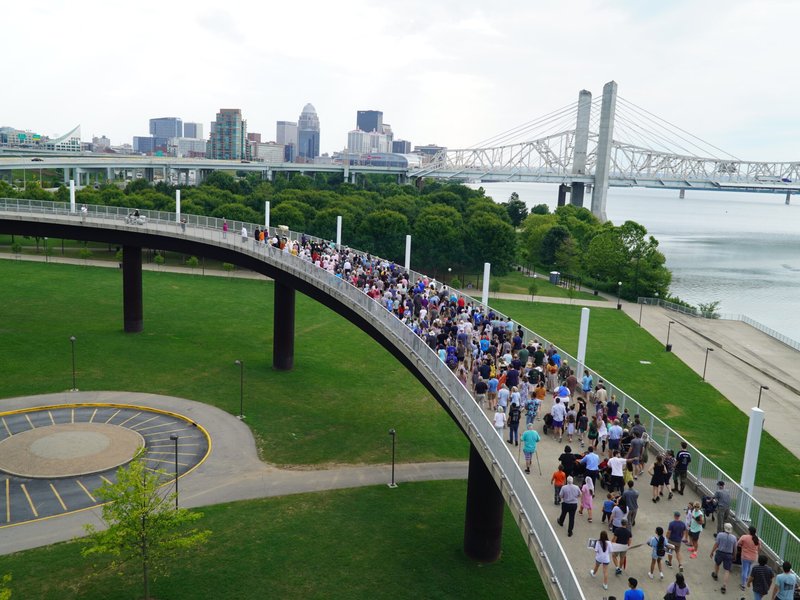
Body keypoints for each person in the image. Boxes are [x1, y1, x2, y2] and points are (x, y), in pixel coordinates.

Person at [710, 522, 737, 594]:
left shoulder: (720, 535)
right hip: (729, 554)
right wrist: (734, 555)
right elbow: (735, 548)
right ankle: (724, 586)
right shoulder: (734, 538)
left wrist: (712, 551)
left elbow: (716, 544)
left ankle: (715, 574)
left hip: (720, 552)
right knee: (727, 570)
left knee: (717, 564)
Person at [737, 525, 761, 592]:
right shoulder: (757, 539)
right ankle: (747, 578)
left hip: (745, 556)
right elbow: (759, 548)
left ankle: (743, 585)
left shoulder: (744, 537)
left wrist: (742, 546)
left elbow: (738, 543)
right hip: (753, 557)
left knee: (744, 569)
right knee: (749, 567)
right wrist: (757, 554)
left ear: (749, 531)